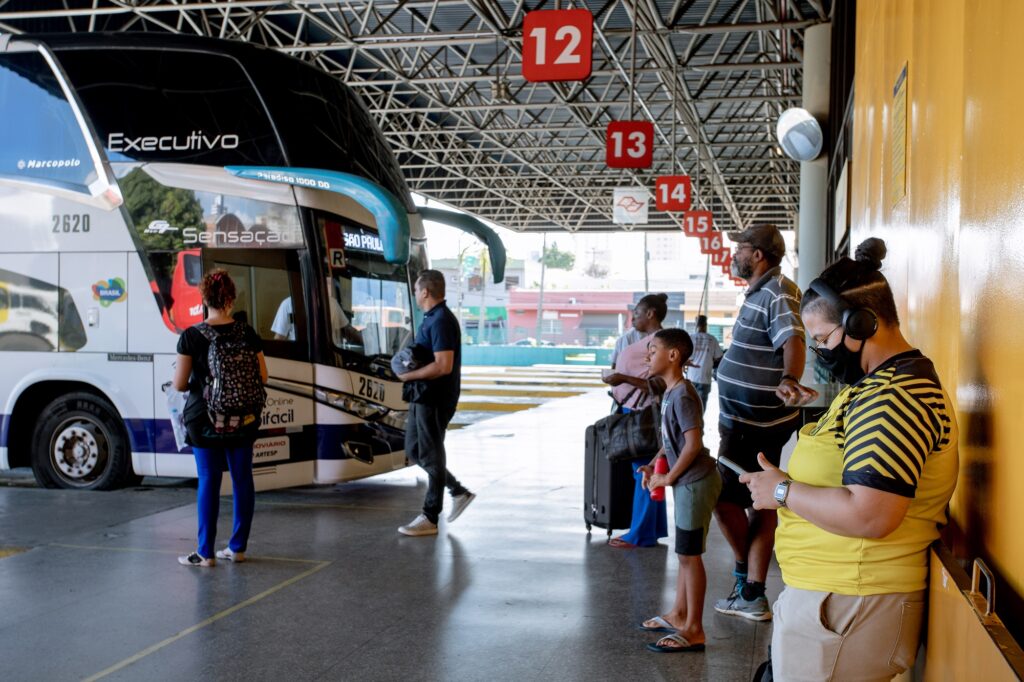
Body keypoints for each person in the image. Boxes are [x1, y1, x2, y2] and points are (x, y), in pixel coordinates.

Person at [741, 238, 958, 680]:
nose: (819, 352)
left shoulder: (893, 397)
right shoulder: (874, 387)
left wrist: (782, 491)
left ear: (862, 323)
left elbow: (871, 515)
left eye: (822, 339)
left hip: (849, 604)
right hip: (837, 603)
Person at [713, 223, 818, 621]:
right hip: (745, 419)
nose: (734, 253)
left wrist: (789, 378)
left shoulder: (776, 291)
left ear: (758, 254)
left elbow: (793, 338)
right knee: (760, 498)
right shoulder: (762, 292)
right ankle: (752, 590)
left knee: (724, 500)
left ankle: (747, 582)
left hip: (751, 422)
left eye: (739, 247)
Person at [173, 269, 268, 567]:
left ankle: (205, 553)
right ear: (231, 298)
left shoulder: (191, 336)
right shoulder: (247, 332)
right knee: (242, 480)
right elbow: (263, 375)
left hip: (205, 419)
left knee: (209, 480)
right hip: (243, 418)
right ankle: (237, 547)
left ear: (204, 298)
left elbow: (179, 384)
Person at [638, 328, 723, 652]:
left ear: (673, 355)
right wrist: (653, 465)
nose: (648, 355)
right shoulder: (672, 392)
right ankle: (678, 613)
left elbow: (693, 444)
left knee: (690, 556)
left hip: (695, 482)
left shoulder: (684, 394)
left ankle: (695, 629)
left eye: (653, 349)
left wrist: (669, 477)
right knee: (684, 554)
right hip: (686, 481)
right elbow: (669, 442)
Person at [395, 270, 475, 536]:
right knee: (416, 451)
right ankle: (458, 490)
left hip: (436, 398)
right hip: (422, 395)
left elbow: (443, 366)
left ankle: (430, 516)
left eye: (417, 290)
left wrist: (408, 375)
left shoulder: (441, 321)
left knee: (430, 452)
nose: (415, 294)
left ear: (425, 292)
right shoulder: (430, 319)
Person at [601, 293, 670, 548]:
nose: (634, 319)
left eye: (638, 314)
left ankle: (640, 533)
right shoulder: (651, 341)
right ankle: (652, 529)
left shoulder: (660, 343)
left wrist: (623, 378)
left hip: (643, 414)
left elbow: (660, 383)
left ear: (651, 314)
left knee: (644, 470)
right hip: (636, 409)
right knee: (649, 470)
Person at [685, 315, 723, 414]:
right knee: (701, 408)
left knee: (690, 407)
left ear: (696, 324)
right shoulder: (712, 339)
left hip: (691, 378)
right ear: (706, 325)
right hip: (705, 378)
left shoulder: (690, 338)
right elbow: (719, 356)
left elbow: (684, 356)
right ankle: (699, 427)